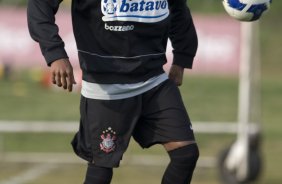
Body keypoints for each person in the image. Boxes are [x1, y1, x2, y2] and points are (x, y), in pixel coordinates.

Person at [27, 0, 199, 183]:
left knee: (186, 154)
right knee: (101, 170)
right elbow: (40, 4)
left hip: (154, 79)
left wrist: (182, 57)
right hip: (105, 87)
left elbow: (178, 8)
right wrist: (55, 54)